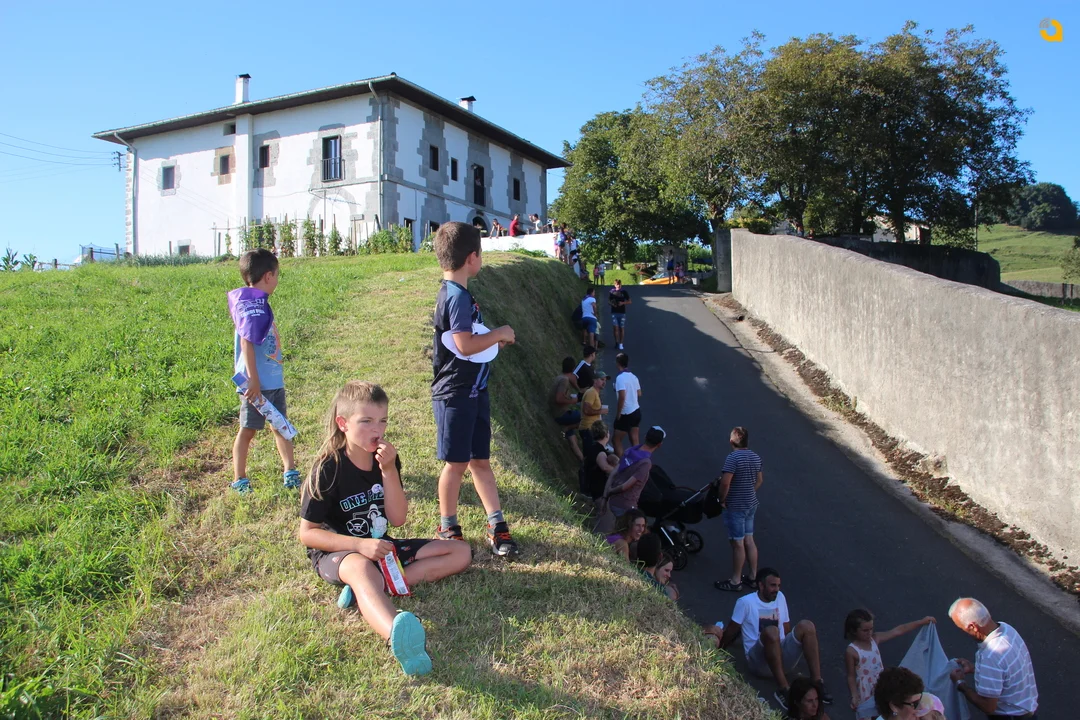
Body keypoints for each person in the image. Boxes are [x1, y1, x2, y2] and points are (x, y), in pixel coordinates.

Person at [297, 381, 472, 676]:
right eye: (366, 421)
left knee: (460, 552)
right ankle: (396, 635)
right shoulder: (328, 468)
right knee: (360, 568)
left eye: (382, 420)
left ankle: (371, 589)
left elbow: (398, 518)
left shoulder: (387, 460)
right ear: (343, 424)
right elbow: (308, 534)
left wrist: (389, 470)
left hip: (380, 546)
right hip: (339, 553)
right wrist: (359, 545)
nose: (377, 429)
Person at [431, 222, 520, 556]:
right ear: (472, 257)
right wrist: (500, 333)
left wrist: (493, 341)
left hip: (475, 390)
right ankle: (448, 527)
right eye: (481, 253)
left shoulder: (459, 293)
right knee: (455, 463)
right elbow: (464, 344)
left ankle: (497, 525)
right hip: (455, 393)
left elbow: (470, 342)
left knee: (480, 460)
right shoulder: (456, 296)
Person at [227, 248, 299, 494]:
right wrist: (254, 381)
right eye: (277, 275)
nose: (277, 280)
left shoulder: (258, 303)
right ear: (269, 276)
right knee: (247, 430)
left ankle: (290, 471)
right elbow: (246, 342)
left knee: (280, 426)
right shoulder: (251, 306)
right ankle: (240, 478)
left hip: (272, 381)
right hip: (257, 386)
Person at [715, 567, 832, 711]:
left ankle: (817, 682)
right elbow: (732, 629)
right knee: (772, 631)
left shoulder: (780, 597)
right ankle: (784, 689)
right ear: (761, 585)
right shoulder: (745, 602)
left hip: (781, 659)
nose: (776, 589)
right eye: (772, 585)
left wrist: (790, 647)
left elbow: (786, 628)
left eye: (778, 585)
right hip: (759, 663)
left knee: (807, 626)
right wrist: (718, 651)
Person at [948, 597, 1038, 718]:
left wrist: (960, 684)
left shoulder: (990, 656)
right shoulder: (1007, 629)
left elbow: (988, 707)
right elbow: (1005, 671)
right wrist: (976, 668)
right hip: (1027, 711)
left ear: (973, 627)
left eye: (961, 628)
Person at [844, 609, 936, 719]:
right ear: (853, 630)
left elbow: (898, 630)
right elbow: (851, 676)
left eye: (871, 629)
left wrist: (921, 622)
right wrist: (854, 695)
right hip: (866, 690)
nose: (869, 633)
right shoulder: (852, 651)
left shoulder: (875, 639)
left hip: (881, 682)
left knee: (886, 710)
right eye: (865, 630)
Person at [713, 426, 764, 592]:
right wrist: (750, 491)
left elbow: (725, 483)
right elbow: (759, 480)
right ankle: (753, 576)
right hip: (751, 504)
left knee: (738, 542)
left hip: (736, 506)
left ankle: (735, 580)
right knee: (749, 539)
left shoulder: (733, 458)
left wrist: (722, 499)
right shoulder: (756, 457)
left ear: (731, 441)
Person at [606, 425, 665, 517]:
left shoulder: (630, 450)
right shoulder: (645, 463)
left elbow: (613, 473)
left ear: (645, 437)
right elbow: (625, 486)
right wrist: (610, 491)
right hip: (625, 505)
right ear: (659, 445)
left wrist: (605, 496)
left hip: (613, 501)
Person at [549, 357, 583, 461]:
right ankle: (567, 428)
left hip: (557, 411)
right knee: (586, 417)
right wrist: (573, 401)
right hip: (561, 414)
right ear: (573, 369)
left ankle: (582, 460)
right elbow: (558, 399)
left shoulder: (560, 377)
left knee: (573, 441)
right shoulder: (564, 380)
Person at [612, 352, 642, 458]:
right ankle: (638, 461)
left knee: (616, 440)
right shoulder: (634, 377)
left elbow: (622, 397)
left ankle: (620, 464)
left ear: (618, 363)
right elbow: (639, 393)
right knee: (634, 440)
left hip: (626, 413)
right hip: (636, 411)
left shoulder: (620, 378)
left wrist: (618, 414)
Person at [636, 533, 678, 601]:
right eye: (666, 570)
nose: (669, 575)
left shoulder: (628, 568)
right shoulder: (659, 591)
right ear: (660, 557)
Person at [583, 420, 619, 501]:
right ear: (606, 434)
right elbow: (605, 467)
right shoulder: (600, 452)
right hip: (597, 490)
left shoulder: (592, 447)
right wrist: (619, 471)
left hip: (589, 484)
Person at [578, 370, 609, 438]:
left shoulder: (595, 392)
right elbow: (586, 410)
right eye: (602, 379)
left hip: (592, 429)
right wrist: (601, 411)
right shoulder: (591, 392)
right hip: (588, 428)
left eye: (605, 380)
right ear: (595, 381)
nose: (604, 382)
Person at [608, 278, 631, 350]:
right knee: (615, 328)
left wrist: (623, 303)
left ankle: (621, 343)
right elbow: (609, 301)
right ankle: (616, 342)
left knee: (621, 328)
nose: (618, 285)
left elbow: (630, 301)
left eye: (619, 284)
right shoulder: (612, 292)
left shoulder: (624, 292)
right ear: (615, 285)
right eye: (617, 284)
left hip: (622, 312)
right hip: (614, 312)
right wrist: (612, 304)